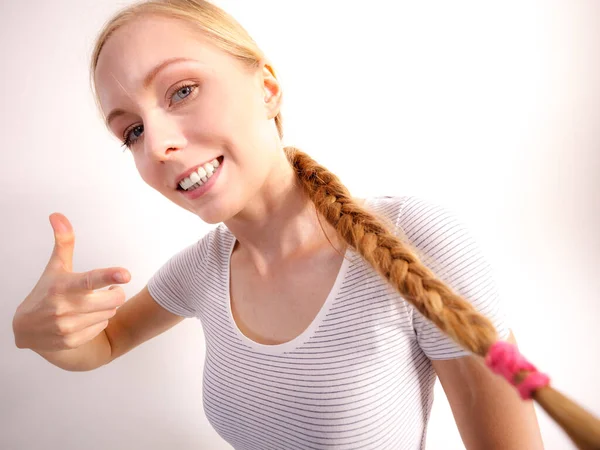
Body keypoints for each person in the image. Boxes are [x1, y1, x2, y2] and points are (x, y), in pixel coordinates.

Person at [11, 1, 600, 449]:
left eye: (182, 90)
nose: (158, 144)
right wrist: (33, 333)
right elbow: (103, 345)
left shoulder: (414, 238)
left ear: (267, 88)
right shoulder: (203, 269)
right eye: (131, 131)